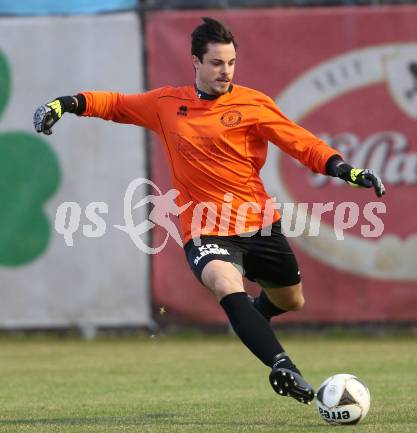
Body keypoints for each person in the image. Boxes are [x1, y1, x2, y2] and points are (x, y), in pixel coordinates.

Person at [33, 17, 385, 405]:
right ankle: (283, 366)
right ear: (196, 63)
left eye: (231, 62)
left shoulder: (253, 103)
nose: (226, 71)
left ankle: (251, 318)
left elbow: (302, 143)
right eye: (217, 63)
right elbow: (115, 105)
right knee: (223, 282)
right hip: (204, 229)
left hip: (258, 224)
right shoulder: (167, 104)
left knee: (291, 300)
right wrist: (63, 105)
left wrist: (345, 169)